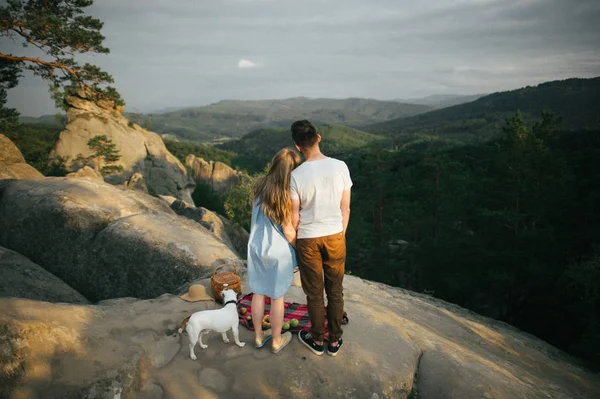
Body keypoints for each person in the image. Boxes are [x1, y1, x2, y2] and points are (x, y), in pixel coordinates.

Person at [290, 120, 352, 357]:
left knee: (314, 293)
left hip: (307, 238)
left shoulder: (295, 176)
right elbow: (345, 209)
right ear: (318, 138)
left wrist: (297, 242)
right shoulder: (340, 167)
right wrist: (340, 234)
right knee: (335, 290)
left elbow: (295, 216)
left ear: (297, 146)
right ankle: (334, 342)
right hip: (335, 235)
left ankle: (317, 340)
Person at [247, 148, 301, 353]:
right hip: (278, 253)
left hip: (256, 247)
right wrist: (300, 250)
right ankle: (277, 339)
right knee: (277, 297)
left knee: (258, 293)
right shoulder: (287, 195)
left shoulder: (260, 185)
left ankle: (259, 336)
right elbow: (288, 230)